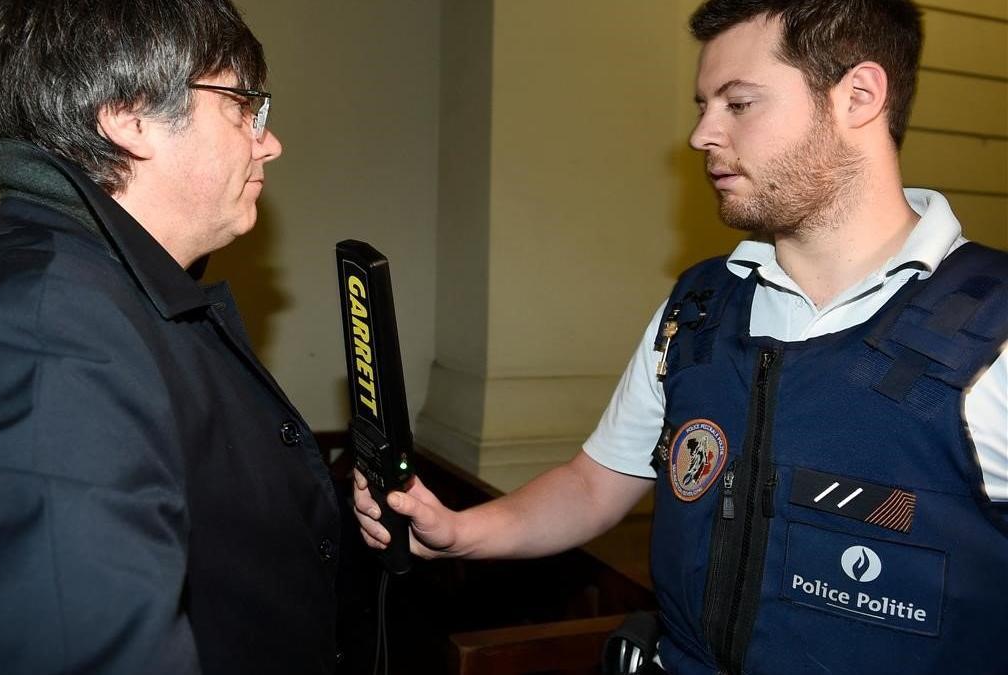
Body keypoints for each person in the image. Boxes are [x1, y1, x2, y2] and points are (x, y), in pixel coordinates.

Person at [355, 1, 1007, 673]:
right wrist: (461, 532)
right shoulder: (699, 307)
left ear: (859, 96)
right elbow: (591, 484)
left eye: (739, 103)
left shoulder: (996, 334)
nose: (701, 134)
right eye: (703, 104)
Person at [0, 1, 341, 673]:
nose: (268, 141)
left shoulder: (96, 286)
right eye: (242, 105)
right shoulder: (42, 336)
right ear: (130, 115)